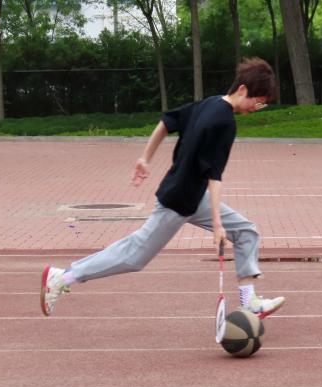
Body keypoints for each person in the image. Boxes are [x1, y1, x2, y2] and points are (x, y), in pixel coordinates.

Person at [41, 57, 285, 319]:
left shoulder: (208, 103)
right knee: (135, 255)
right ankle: (63, 277)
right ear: (243, 89)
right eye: (258, 102)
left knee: (246, 231)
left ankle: (249, 302)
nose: (256, 108)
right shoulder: (225, 123)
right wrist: (217, 225)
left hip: (194, 197)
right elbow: (214, 175)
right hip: (178, 200)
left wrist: (145, 158)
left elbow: (166, 122)